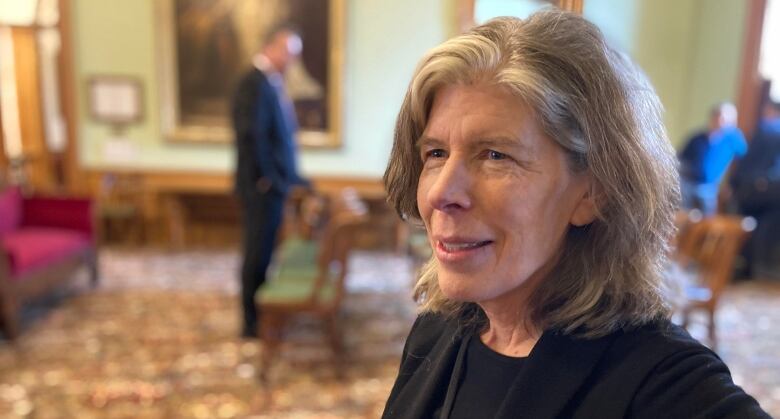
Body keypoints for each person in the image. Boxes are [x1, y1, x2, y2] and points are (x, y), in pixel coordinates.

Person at [381, 11, 770, 419]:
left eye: (496, 155)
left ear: (593, 192)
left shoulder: (664, 383)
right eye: (436, 153)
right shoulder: (437, 330)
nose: (442, 192)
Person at [232, 24, 309, 339]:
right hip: (261, 187)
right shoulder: (253, 83)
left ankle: (262, 316)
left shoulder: (269, 82)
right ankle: (251, 322)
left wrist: (295, 178)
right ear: (273, 47)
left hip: (271, 185)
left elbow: (279, 140)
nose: (291, 62)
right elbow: (254, 137)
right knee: (257, 252)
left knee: (265, 252)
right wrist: (267, 179)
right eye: (289, 54)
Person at [679, 102, 747, 216]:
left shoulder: (732, 140)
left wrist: (731, 184)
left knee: (707, 219)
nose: (720, 121)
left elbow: (744, 160)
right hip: (688, 184)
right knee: (684, 215)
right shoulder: (697, 137)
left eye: (725, 118)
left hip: (709, 188)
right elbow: (681, 158)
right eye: (718, 117)